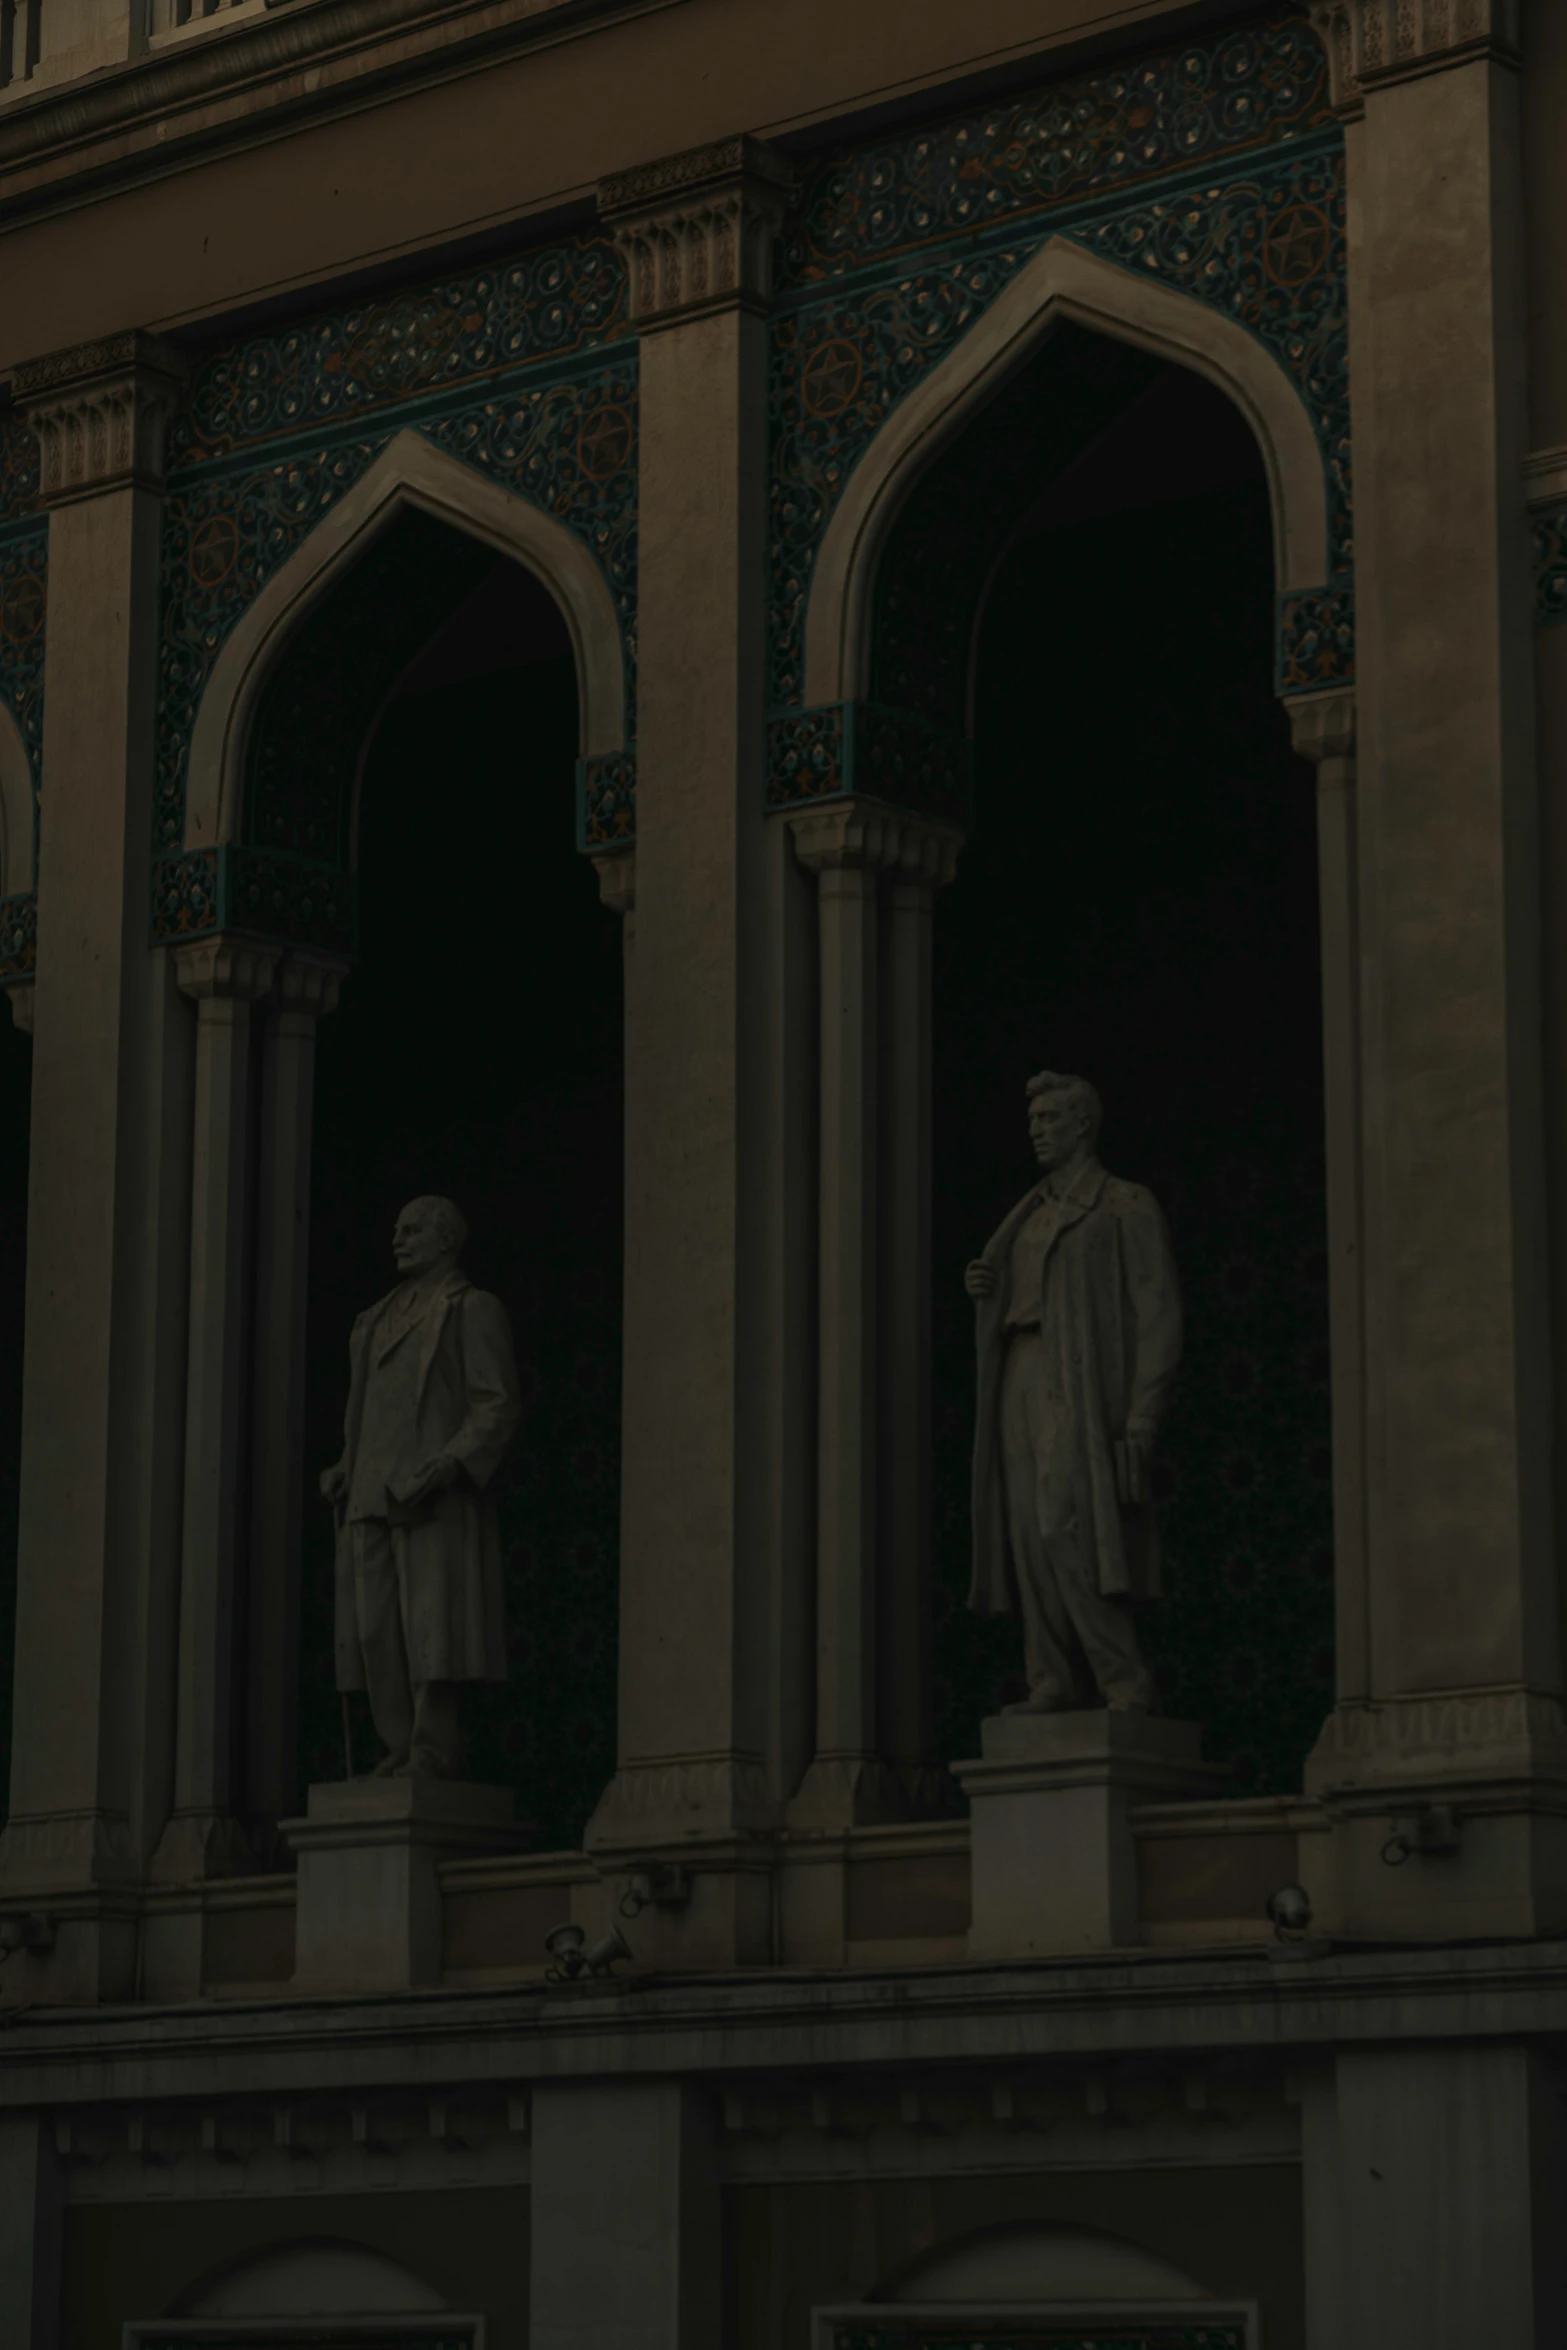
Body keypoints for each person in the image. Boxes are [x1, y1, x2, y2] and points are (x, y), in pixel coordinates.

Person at [966, 1072, 1181, 1712]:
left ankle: (1123, 1676)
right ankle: (1050, 1676)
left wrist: (1143, 1414)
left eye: (1049, 1118)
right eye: (1032, 1120)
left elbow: (1159, 1312)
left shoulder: (1122, 1204)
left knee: (1067, 1522)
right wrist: (988, 1284)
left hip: (1079, 1379)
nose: (1035, 1130)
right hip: (1019, 1367)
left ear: (1083, 1124)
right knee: (1029, 1531)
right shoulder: (1025, 1213)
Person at [321, 1195, 522, 1778]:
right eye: (395, 1230)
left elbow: (496, 1404)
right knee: (373, 1628)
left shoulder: (471, 1309)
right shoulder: (372, 1320)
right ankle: (397, 1741)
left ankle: (433, 1746)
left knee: (429, 1624)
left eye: (411, 1231)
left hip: (428, 1491)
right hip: (369, 1491)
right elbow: (361, 1411)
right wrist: (344, 1464)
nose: (397, 1240)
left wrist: (451, 1461)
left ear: (446, 1241)